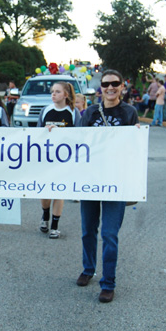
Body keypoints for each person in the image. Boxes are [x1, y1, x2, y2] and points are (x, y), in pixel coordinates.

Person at [76, 69, 139, 303]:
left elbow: (135, 150)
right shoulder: (90, 112)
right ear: (100, 87)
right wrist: (55, 135)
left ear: (123, 86)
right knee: (87, 231)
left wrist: (139, 138)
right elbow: (77, 142)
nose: (110, 88)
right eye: (106, 84)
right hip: (91, 180)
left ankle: (108, 283)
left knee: (110, 234)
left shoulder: (130, 113)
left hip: (116, 182)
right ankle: (88, 269)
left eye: (115, 84)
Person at [37, 82, 81, 239]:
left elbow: (79, 135)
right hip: (46, 157)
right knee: (45, 191)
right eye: (52, 92)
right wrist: (46, 131)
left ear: (66, 95)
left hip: (64, 159)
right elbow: (36, 134)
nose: (53, 94)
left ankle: (55, 226)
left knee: (59, 191)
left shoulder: (73, 112)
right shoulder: (46, 111)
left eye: (57, 91)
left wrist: (60, 133)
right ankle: (45, 216)